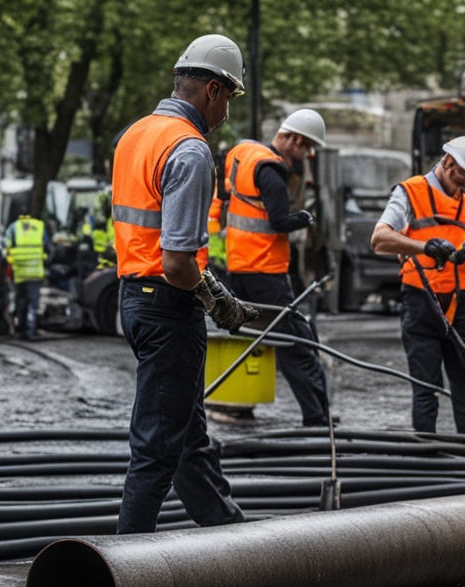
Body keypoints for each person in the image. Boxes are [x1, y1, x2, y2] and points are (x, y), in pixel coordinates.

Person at [109, 33, 259, 535]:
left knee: (188, 436)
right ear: (213, 90)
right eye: (230, 99)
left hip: (135, 297)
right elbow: (176, 262)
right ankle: (123, 569)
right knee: (156, 449)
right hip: (168, 306)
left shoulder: (136, 134)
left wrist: (208, 289)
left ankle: (233, 537)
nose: (226, 114)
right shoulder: (189, 150)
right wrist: (217, 301)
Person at [370, 135, 465, 435]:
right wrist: (424, 247)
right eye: (463, 178)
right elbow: (379, 239)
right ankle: (427, 457)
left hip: (461, 303)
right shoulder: (410, 193)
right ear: (448, 163)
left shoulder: (464, 202)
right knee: (426, 386)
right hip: (422, 302)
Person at [222, 109, 331, 427]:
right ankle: (317, 417)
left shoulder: (243, 153)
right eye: (306, 147)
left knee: (264, 336)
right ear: (294, 139)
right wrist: (306, 218)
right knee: (298, 343)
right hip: (265, 269)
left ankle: (235, 403)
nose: (306, 154)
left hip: (240, 266)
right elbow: (280, 221)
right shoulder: (271, 170)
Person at [3, 214, 48, 340]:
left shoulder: (13, 227)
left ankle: (20, 330)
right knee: (33, 303)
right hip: (35, 272)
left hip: (19, 272)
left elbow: (5, 245)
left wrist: (10, 260)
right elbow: (47, 247)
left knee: (21, 302)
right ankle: (31, 330)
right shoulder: (39, 226)